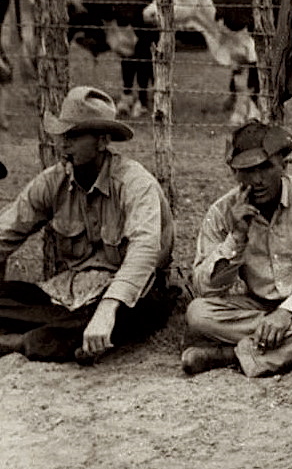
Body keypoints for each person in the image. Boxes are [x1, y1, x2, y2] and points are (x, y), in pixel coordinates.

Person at [0, 86, 174, 362]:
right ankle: (51, 340)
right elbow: (6, 231)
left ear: (102, 142)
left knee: (134, 314)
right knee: (11, 297)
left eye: (74, 135)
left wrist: (107, 309)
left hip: (129, 294)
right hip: (69, 296)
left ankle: (20, 342)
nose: (63, 144)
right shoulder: (53, 181)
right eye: (62, 135)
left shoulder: (134, 183)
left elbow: (145, 251)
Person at [181, 120, 292, 376]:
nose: (257, 180)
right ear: (234, 173)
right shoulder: (221, 211)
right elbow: (206, 287)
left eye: (266, 167)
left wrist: (287, 312)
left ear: (283, 165)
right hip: (257, 309)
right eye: (247, 171)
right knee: (198, 314)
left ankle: (231, 355)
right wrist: (236, 236)